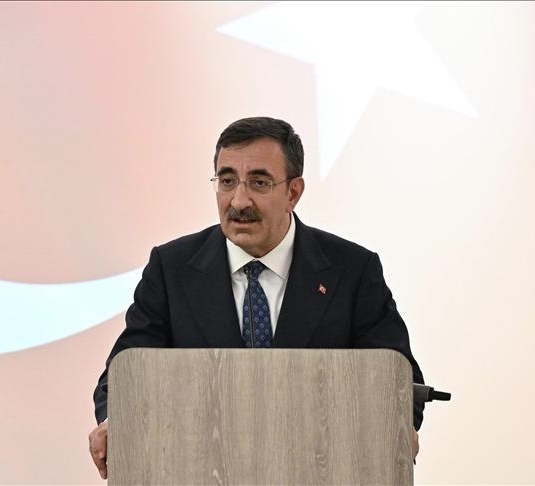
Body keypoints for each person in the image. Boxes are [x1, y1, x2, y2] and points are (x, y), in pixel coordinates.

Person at [88, 117, 424, 479]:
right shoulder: (171, 269)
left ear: (293, 192)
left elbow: (398, 380)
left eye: (259, 182)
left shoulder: (352, 270)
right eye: (227, 181)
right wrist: (115, 421)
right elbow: (126, 374)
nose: (239, 200)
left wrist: (395, 423)